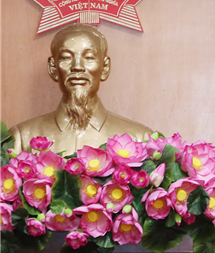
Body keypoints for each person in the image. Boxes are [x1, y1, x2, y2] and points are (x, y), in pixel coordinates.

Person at [11, 23, 152, 156]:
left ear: (105, 67)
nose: (77, 67)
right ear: (53, 68)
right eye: (66, 57)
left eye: (89, 57)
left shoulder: (140, 139)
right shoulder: (21, 139)